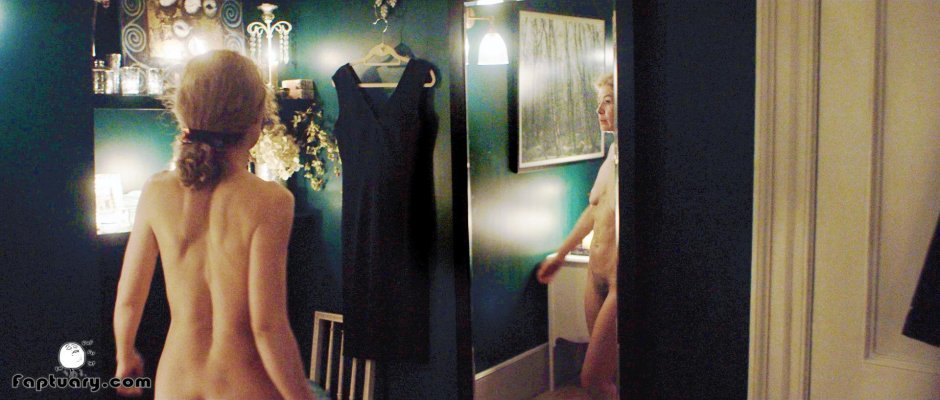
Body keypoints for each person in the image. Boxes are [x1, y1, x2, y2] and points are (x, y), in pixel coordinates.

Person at [112, 50, 317, 400]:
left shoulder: (156, 191)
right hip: (245, 385)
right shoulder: (271, 201)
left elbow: (129, 297)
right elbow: (267, 327)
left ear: (183, 113)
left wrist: (124, 355)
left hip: (175, 382)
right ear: (256, 122)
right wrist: (301, 396)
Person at [538, 73, 618, 399]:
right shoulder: (612, 155)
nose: (599, 110)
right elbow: (594, 210)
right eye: (599, 103)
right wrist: (561, 254)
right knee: (605, 378)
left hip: (618, 281)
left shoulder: (637, 160)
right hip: (594, 276)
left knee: (593, 378)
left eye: (608, 102)